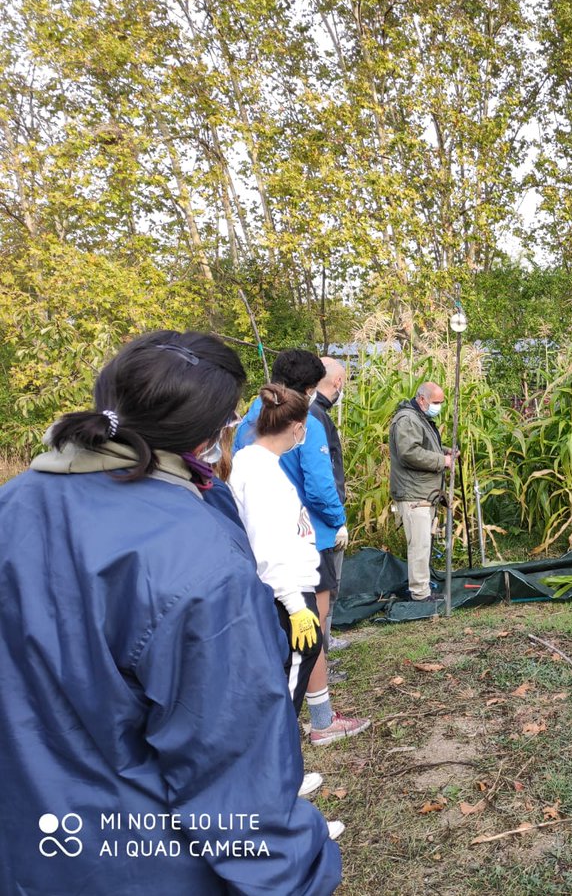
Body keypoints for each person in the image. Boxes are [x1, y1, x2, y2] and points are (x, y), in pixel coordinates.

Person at [0, 331, 341, 894]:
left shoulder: (14, 505)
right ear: (207, 433)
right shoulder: (195, 562)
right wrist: (302, 876)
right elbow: (235, 768)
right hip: (139, 860)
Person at [234, 350, 366, 747]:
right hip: (299, 549)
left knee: (285, 642)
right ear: (308, 390)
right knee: (310, 634)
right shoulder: (302, 422)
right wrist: (338, 518)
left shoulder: (250, 417)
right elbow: (319, 480)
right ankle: (321, 719)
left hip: (264, 557)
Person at [389, 381, 455, 602]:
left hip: (423, 492)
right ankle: (419, 594)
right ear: (421, 399)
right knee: (419, 545)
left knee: (423, 544)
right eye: (436, 402)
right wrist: (442, 461)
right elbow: (409, 453)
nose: (439, 406)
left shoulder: (420, 418)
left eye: (441, 402)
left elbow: (424, 445)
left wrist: (445, 451)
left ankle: (422, 589)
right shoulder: (407, 419)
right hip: (414, 494)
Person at [312, 357, 352, 656]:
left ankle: (326, 640)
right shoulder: (316, 417)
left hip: (324, 517)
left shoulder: (316, 414)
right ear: (337, 382)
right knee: (325, 588)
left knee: (328, 587)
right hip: (323, 521)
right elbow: (320, 478)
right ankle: (321, 651)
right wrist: (337, 519)